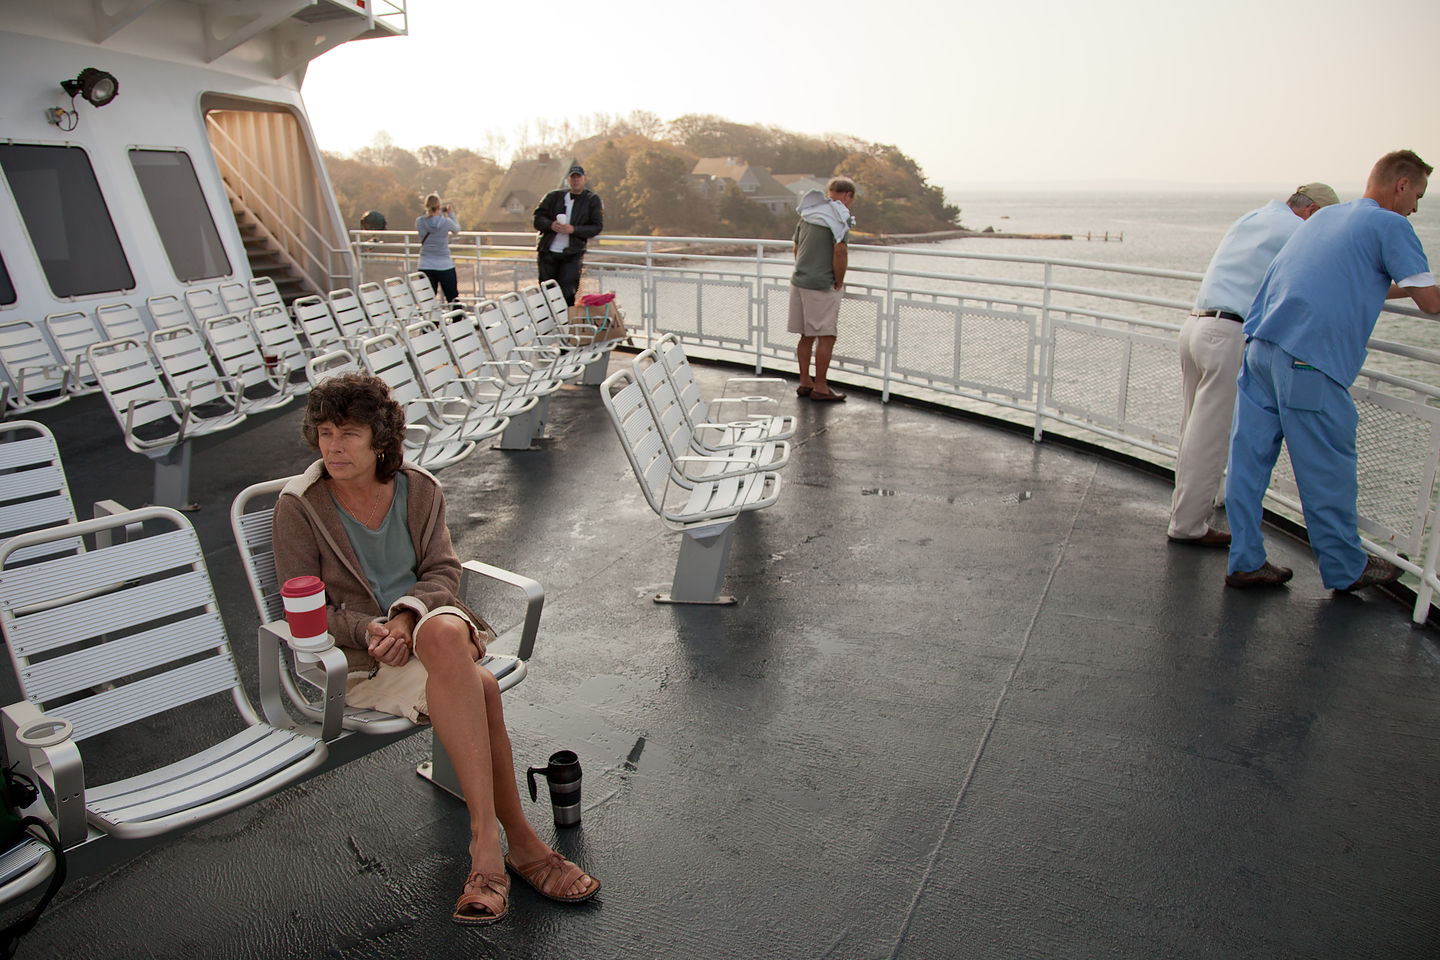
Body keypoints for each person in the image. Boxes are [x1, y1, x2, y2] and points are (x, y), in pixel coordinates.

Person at [273, 373, 600, 925]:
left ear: (379, 437)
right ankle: (518, 843)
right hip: (358, 659)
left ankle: (485, 850)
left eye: (348, 432)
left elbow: (443, 571)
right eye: (324, 432)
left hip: (433, 626)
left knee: (444, 632)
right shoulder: (301, 506)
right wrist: (370, 631)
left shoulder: (417, 488)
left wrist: (405, 615)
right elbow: (305, 608)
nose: (333, 445)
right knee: (482, 684)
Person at [1225, 150, 1440, 590]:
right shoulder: (1391, 224)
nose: (1416, 206)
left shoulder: (1326, 218)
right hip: (1309, 362)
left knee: (1247, 464)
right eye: (1417, 195)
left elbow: (1351, 278)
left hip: (1262, 347)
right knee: (1327, 470)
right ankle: (1345, 568)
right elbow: (1431, 301)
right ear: (1401, 185)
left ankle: (1245, 559)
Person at [1168, 183, 1339, 547]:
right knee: (1211, 436)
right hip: (1227, 334)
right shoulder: (1298, 232)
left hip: (1196, 325)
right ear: (1312, 213)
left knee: (1193, 428)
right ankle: (1187, 525)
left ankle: (1197, 505)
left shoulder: (1255, 217)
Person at [789, 176, 856, 402]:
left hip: (800, 280)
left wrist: (805, 269)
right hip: (820, 284)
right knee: (826, 336)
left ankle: (805, 382)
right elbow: (840, 252)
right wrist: (838, 280)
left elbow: (796, 248)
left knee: (806, 335)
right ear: (848, 195)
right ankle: (821, 387)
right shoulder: (839, 217)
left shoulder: (809, 213)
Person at [533, 164, 603, 306]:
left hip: (572, 253)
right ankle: (547, 324)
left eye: (579, 177)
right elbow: (537, 219)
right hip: (548, 252)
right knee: (547, 292)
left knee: (567, 292)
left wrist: (574, 229)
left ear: (584, 179)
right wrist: (551, 225)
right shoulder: (553, 197)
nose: (576, 180)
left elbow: (596, 227)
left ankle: (567, 324)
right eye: (573, 177)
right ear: (568, 180)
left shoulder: (592, 199)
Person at [416, 194, 462, 304]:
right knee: (452, 297)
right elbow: (456, 229)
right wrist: (450, 214)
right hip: (444, 264)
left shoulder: (420, 221)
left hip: (425, 264)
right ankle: (457, 320)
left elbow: (427, 221)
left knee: (428, 299)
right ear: (439, 206)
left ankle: (432, 321)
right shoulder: (446, 222)